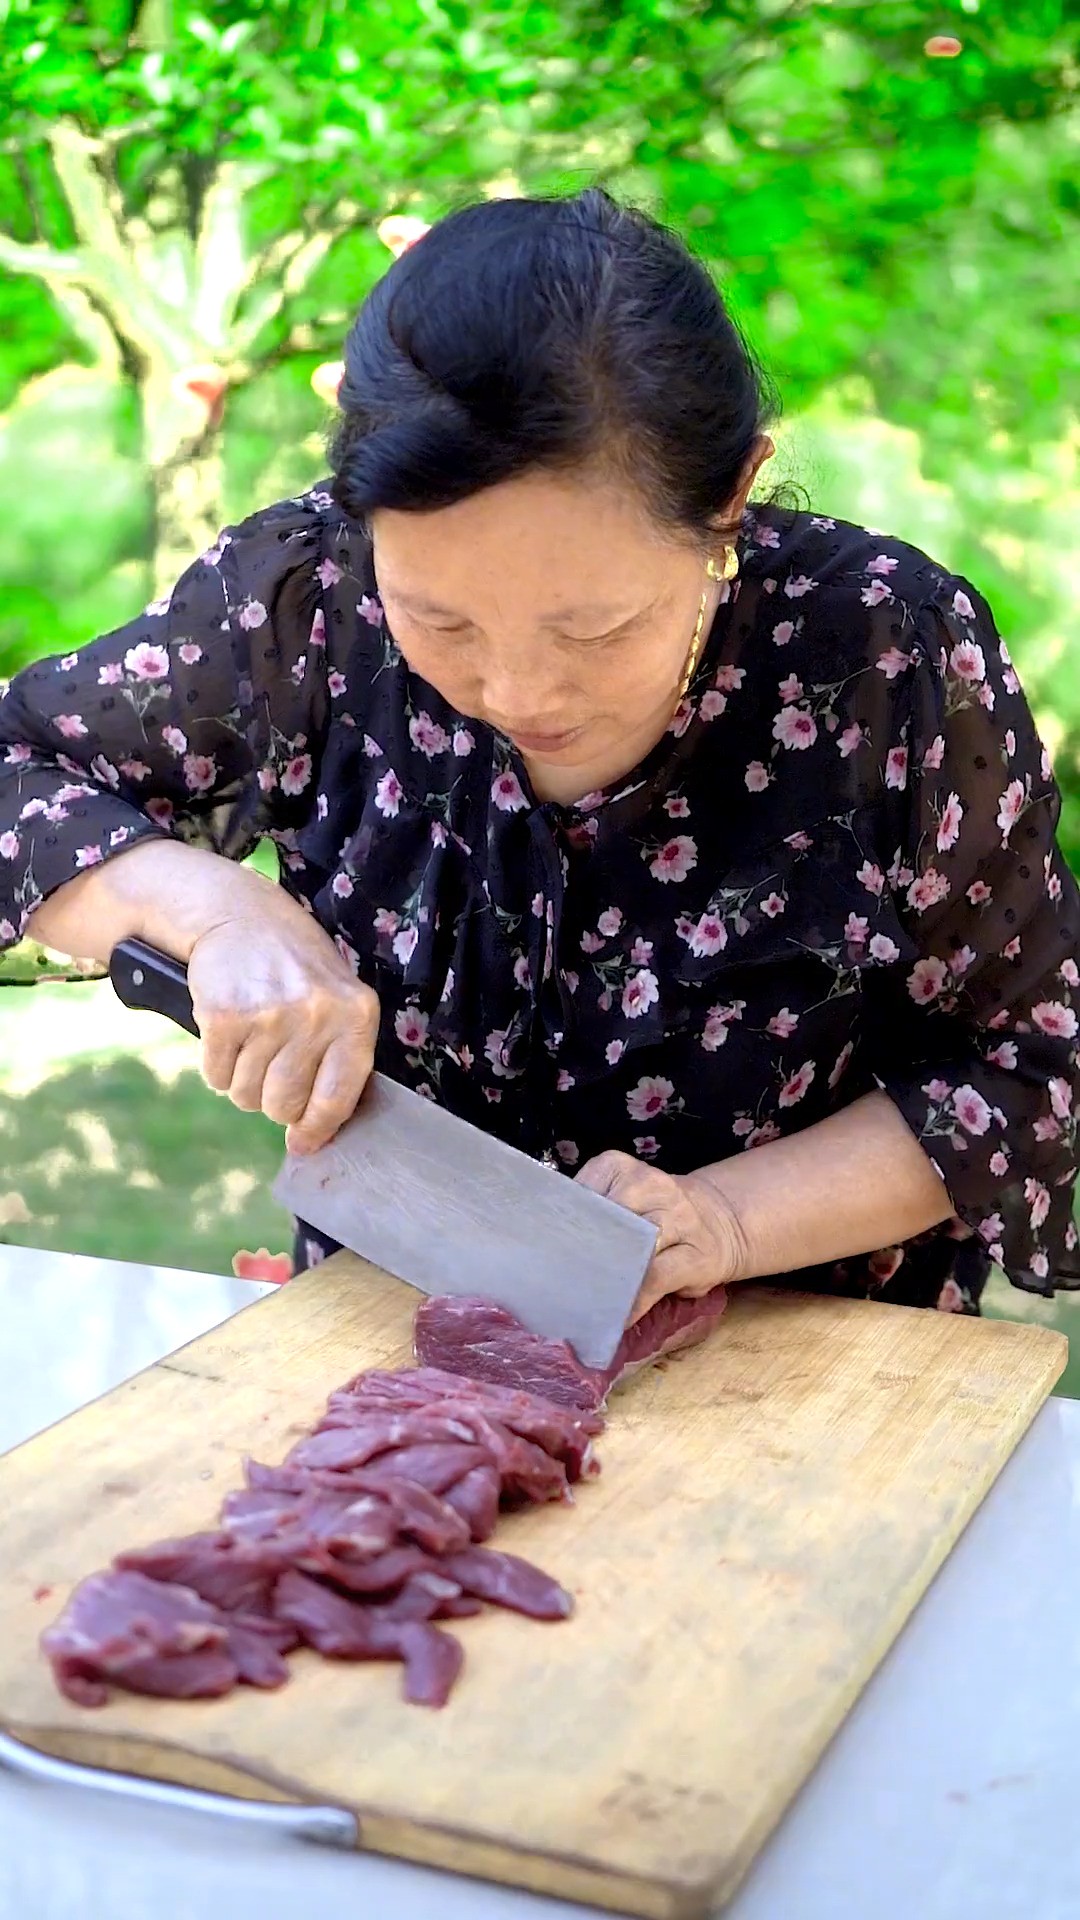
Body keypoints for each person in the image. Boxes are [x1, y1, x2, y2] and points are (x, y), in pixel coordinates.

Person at [2, 186, 1078, 1322]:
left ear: (731, 498)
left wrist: (728, 1221)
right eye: (442, 621)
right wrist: (212, 911)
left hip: (809, 1377)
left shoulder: (882, 649)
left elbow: (1026, 1063)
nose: (513, 693)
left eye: (593, 628)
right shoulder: (309, 601)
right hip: (394, 1362)